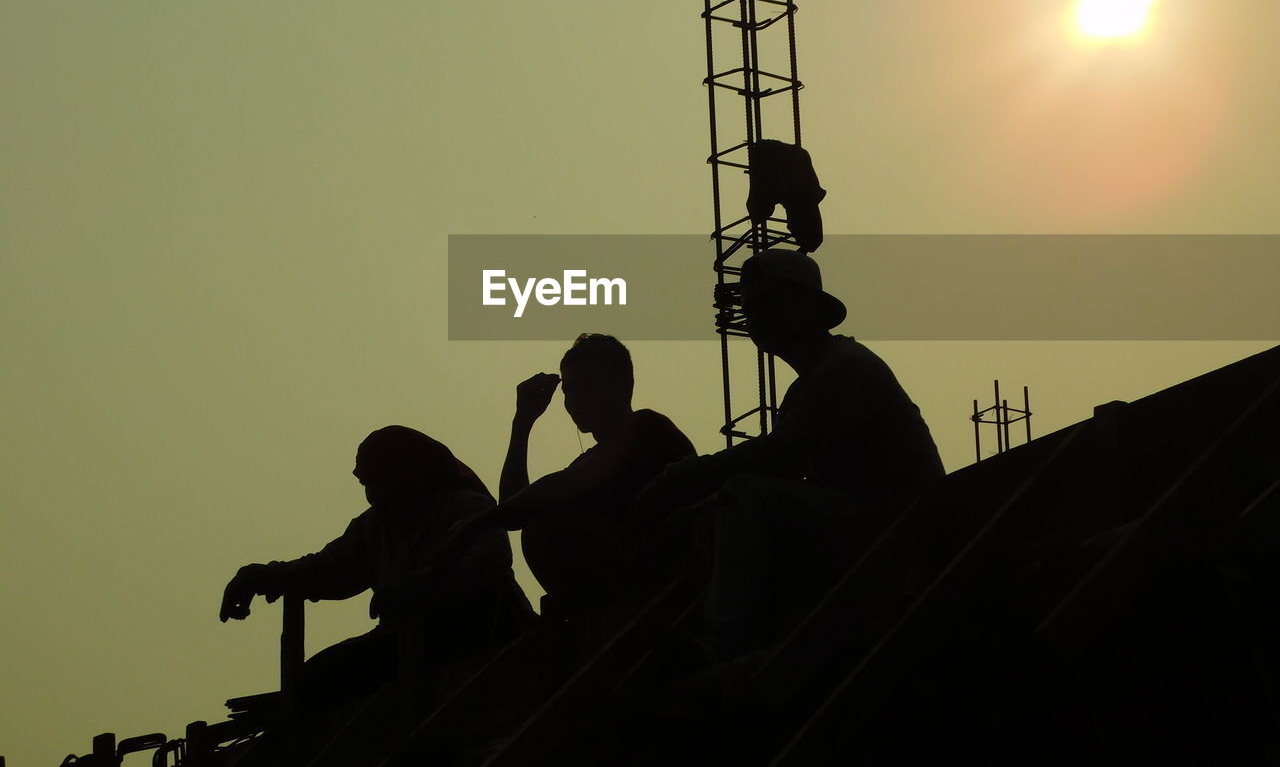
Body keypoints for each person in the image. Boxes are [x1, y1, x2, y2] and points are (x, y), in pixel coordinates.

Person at [634, 248, 945, 655]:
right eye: (750, 307)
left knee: (745, 493)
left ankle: (724, 642)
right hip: (867, 524)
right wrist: (696, 510)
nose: (756, 319)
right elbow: (786, 475)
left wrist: (684, 477)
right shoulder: (809, 383)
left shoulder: (846, 368)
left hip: (895, 528)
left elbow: (781, 456)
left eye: (767, 303)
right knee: (721, 510)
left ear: (807, 307)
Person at [219, 425, 534, 715]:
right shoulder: (372, 528)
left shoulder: (465, 506)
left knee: (346, 671)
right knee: (320, 674)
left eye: (382, 479)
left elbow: (487, 562)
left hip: (479, 632)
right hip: (401, 642)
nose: (374, 493)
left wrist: (419, 586)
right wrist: (262, 576)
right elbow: (326, 569)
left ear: (414, 471)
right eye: (367, 483)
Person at [449, 334, 695, 612]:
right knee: (539, 526)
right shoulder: (589, 460)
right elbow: (515, 511)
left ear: (623, 384)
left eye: (586, 386)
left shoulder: (647, 427)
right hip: (627, 578)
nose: (575, 400)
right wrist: (523, 422)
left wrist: (474, 525)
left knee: (548, 526)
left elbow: (558, 488)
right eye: (569, 391)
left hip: (665, 576)